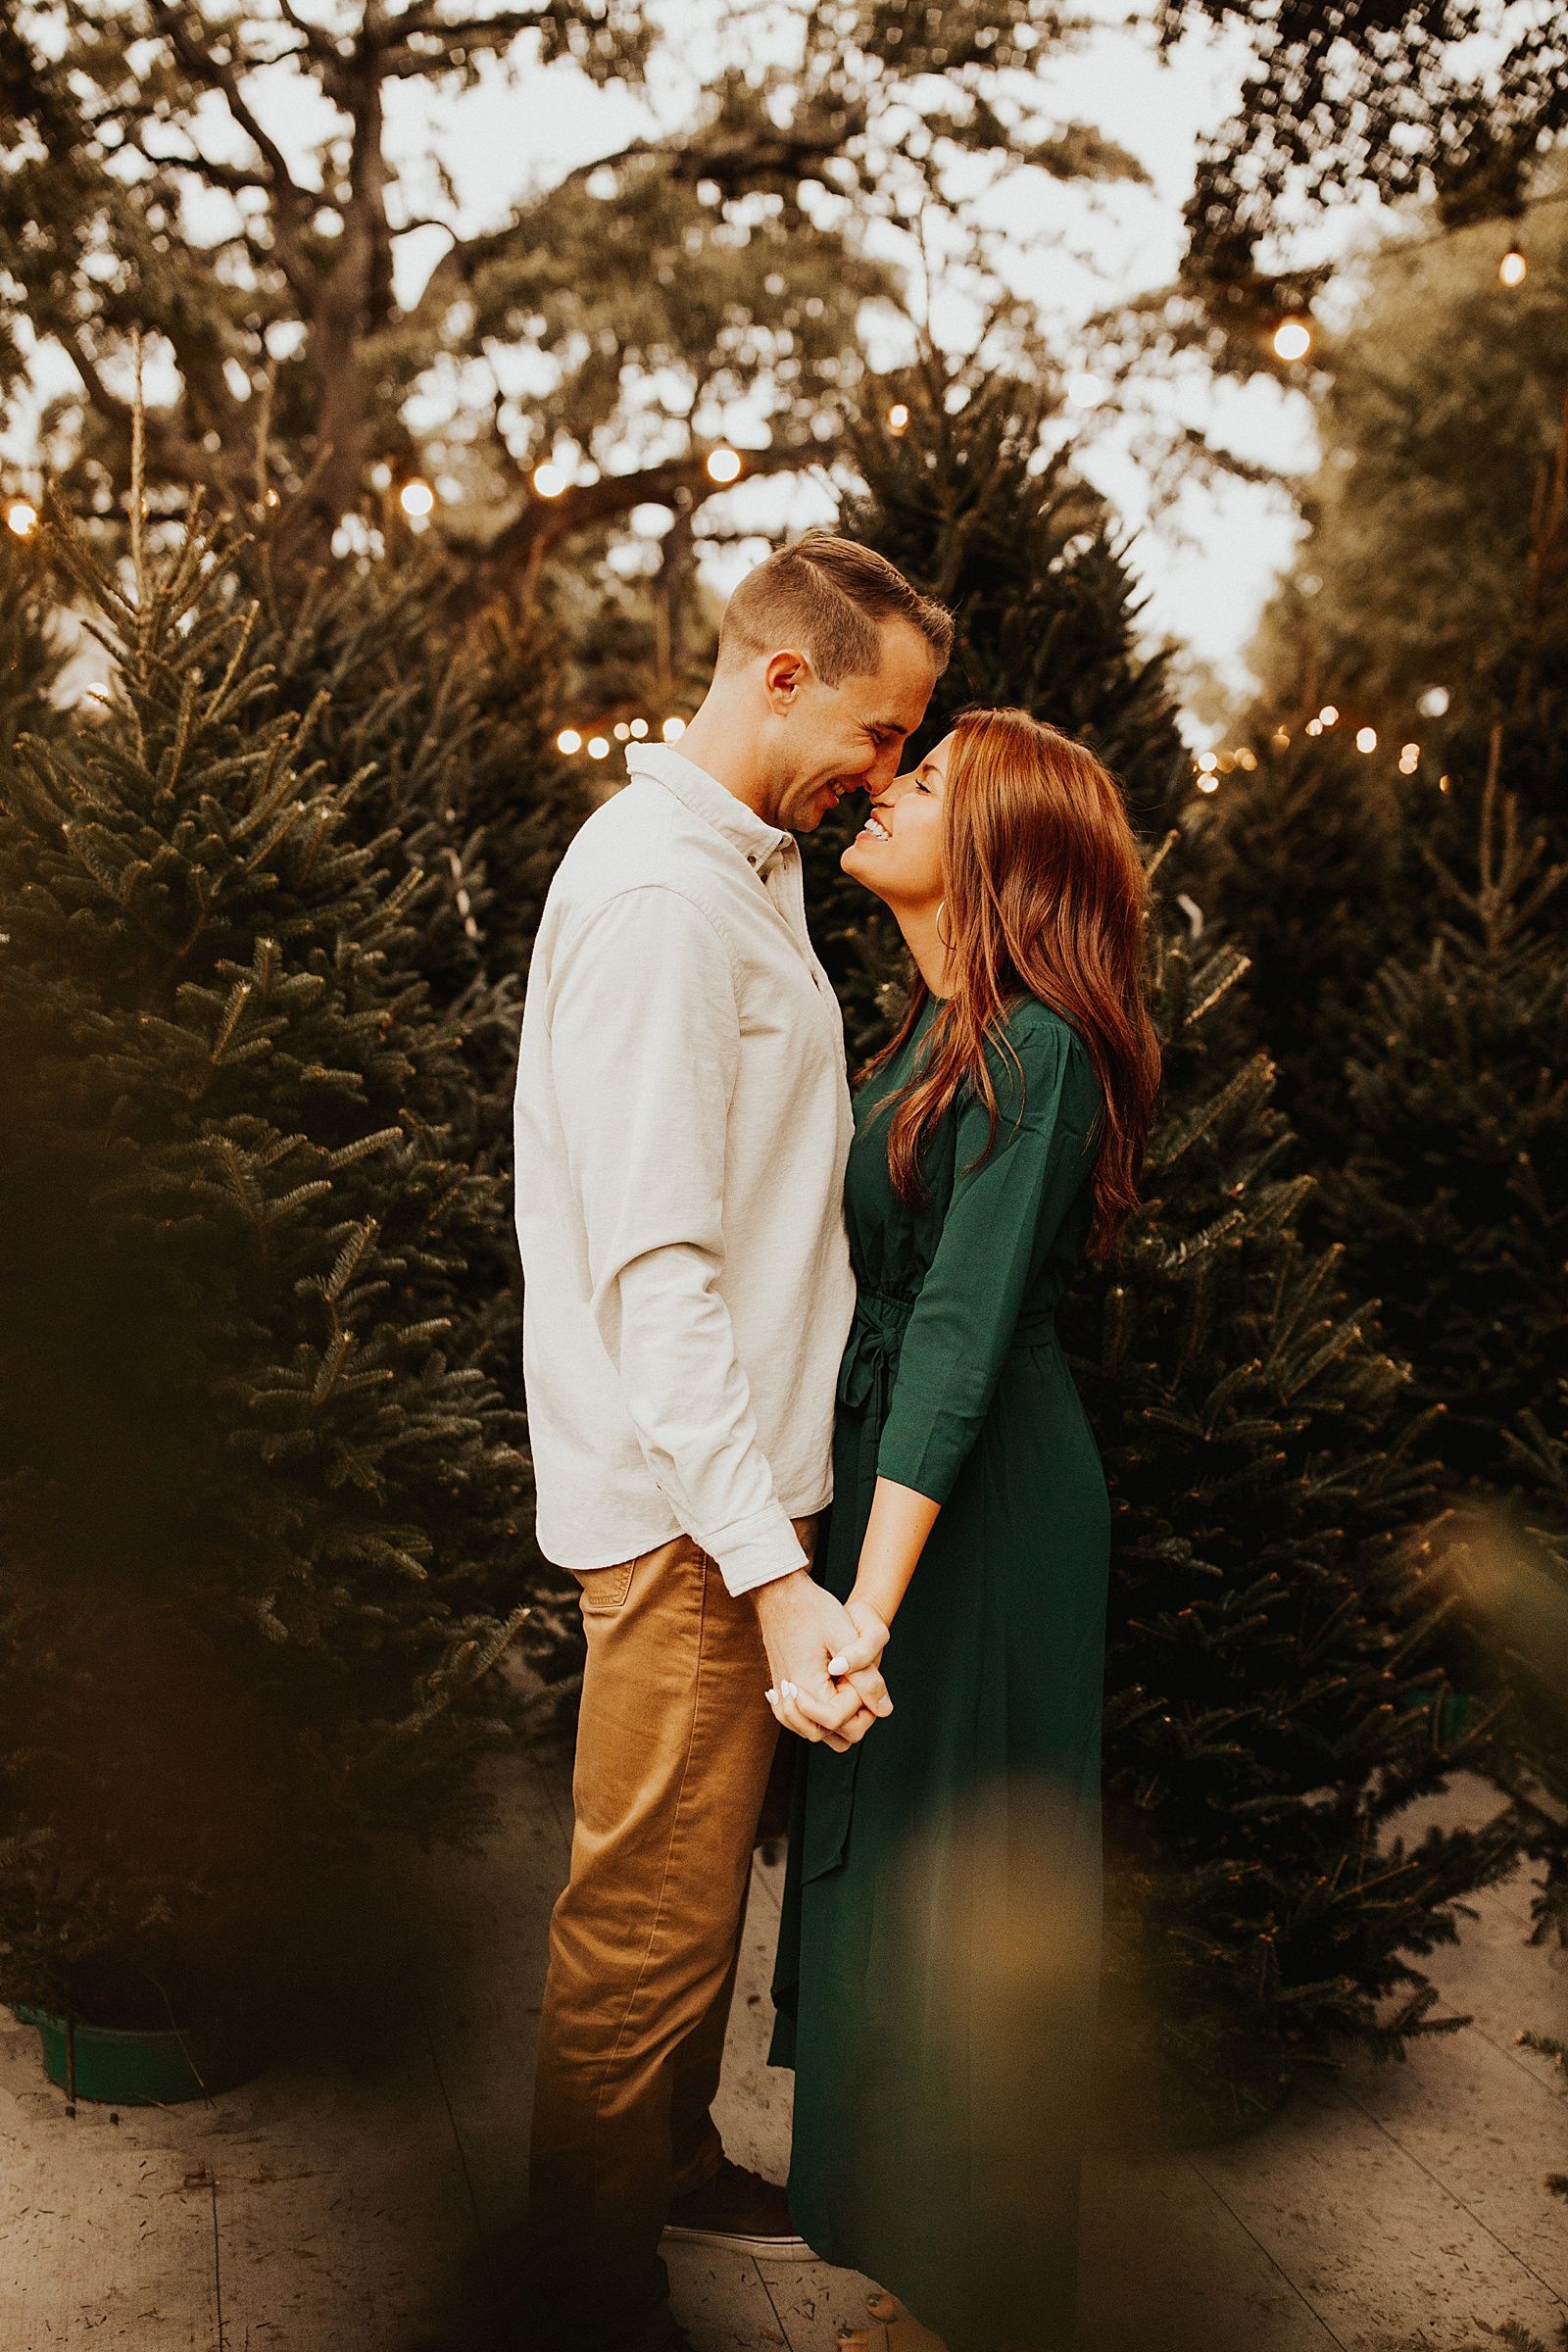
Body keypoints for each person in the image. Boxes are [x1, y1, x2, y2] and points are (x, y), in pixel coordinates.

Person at [510, 531, 954, 2352]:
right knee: (642, 1930)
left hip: (746, 1496)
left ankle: (674, 2164)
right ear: (779, 679)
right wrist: (772, 1580)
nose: (888, 760)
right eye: (881, 722)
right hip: (700, 1522)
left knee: (689, 1911)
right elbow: (658, 1279)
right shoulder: (662, 907)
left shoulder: (742, 869)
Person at [768, 709, 1161, 2352]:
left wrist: (862, 1604)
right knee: (884, 1890)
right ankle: (911, 2270)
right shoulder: (922, 1033)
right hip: (897, 1499)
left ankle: (977, 2301)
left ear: (996, 846)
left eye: (923, 784)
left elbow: (959, 1336)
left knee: (956, 1899)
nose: (880, 787)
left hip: (979, 1518)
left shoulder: (1041, 1046)